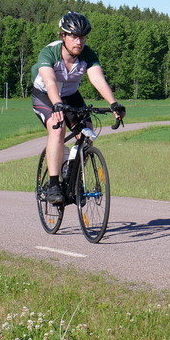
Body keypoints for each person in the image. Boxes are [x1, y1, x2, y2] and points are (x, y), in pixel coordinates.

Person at [31, 12, 126, 205]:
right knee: (57, 129)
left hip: (71, 95)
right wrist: (57, 105)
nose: (79, 41)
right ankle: (54, 184)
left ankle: (73, 176)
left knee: (87, 133)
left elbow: (98, 80)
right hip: (45, 95)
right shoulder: (49, 53)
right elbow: (49, 82)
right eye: (74, 36)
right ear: (63, 36)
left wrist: (113, 103)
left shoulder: (87, 54)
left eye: (82, 37)